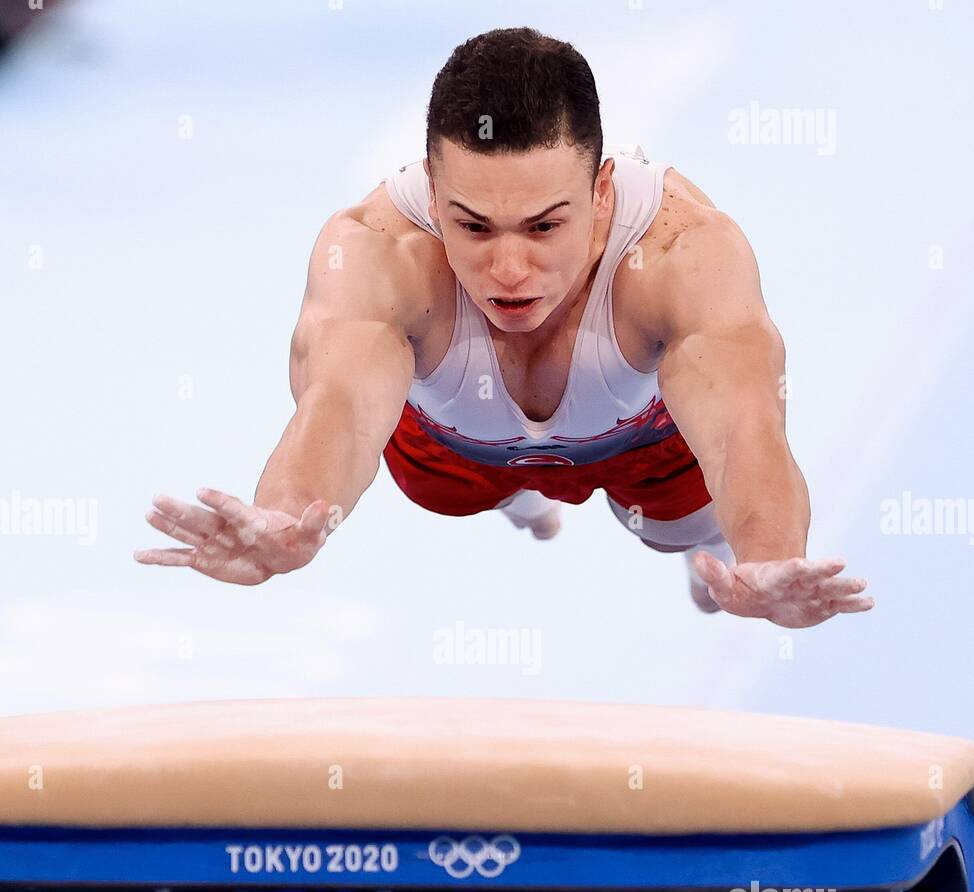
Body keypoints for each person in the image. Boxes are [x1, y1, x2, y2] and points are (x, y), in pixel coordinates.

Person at [135, 27, 873, 629]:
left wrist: (771, 557)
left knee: (684, 530)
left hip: (647, 441)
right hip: (459, 452)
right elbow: (340, 406)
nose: (509, 270)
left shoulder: (684, 253)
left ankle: (692, 547)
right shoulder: (377, 252)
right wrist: (281, 523)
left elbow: (745, 429)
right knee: (459, 489)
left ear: (602, 188)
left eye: (546, 225)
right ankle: (524, 495)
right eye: (474, 226)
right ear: (430, 185)